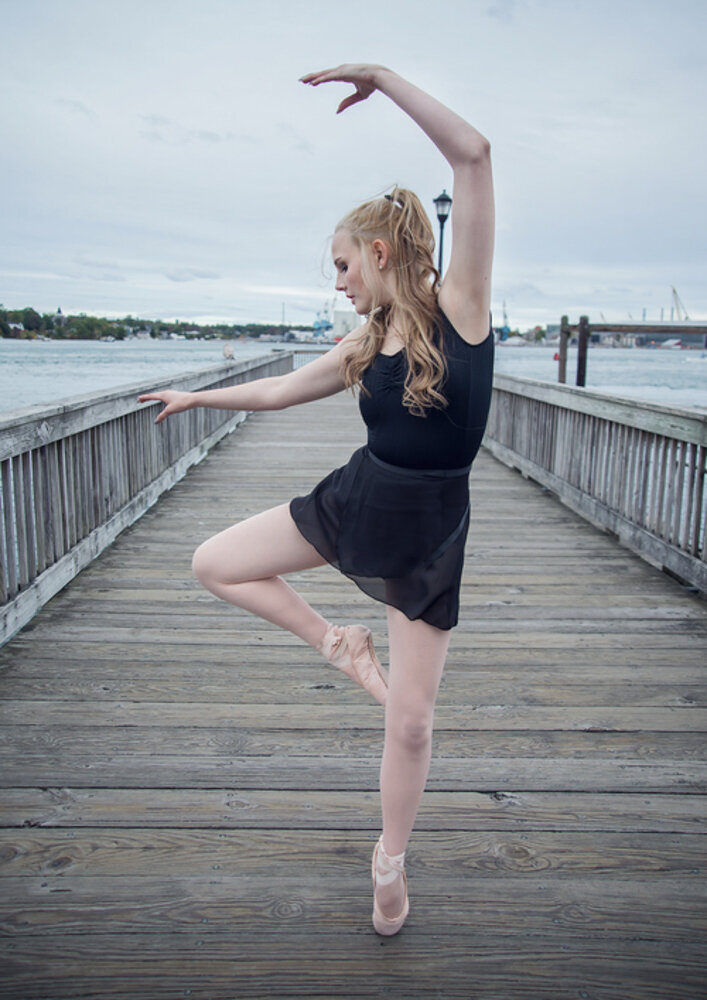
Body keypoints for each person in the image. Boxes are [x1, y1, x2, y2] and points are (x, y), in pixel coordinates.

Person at [138, 63, 494, 936]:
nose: (335, 282)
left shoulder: (463, 307)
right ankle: (337, 641)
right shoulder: (361, 344)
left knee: (409, 724)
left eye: (341, 264)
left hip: (428, 532)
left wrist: (381, 78)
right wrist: (199, 398)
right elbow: (272, 394)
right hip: (355, 499)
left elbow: (475, 156)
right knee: (214, 562)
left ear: (378, 254)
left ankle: (389, 863)